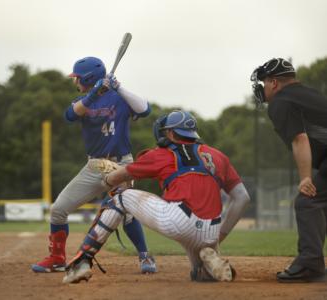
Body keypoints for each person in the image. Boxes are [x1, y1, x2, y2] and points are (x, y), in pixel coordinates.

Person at [62, 110, 250, 284]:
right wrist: (220, 235)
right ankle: (207, 264)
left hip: (179, 221)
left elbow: (120, 176)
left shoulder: (161, 154)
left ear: (170, 133)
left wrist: (107, 179)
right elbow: (242, 197)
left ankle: (82, 262)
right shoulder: (218, 156)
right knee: (199, 275)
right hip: (211, 232)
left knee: (119, 198)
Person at [31, 56, 156, 274]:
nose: (75, 82)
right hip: (94, 165)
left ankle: (145, 257)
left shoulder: (120, 97)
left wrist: (119, 87)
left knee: (126, 213)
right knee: (58, 210)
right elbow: (70, 115)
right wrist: (94, 93)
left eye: (77, 77)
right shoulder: (84, 101)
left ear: (88, 77)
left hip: (121, 164)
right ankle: (57, 258)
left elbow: (145, 110)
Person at [251, 58, 327, 283]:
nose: (263, 88)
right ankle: (311, 262)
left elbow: (299, 138)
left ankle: (310, 264)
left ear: (274, 83)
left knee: (308, 201)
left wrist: (305, 178)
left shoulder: (281, 101)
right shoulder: (308, 94)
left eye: (265, 82)